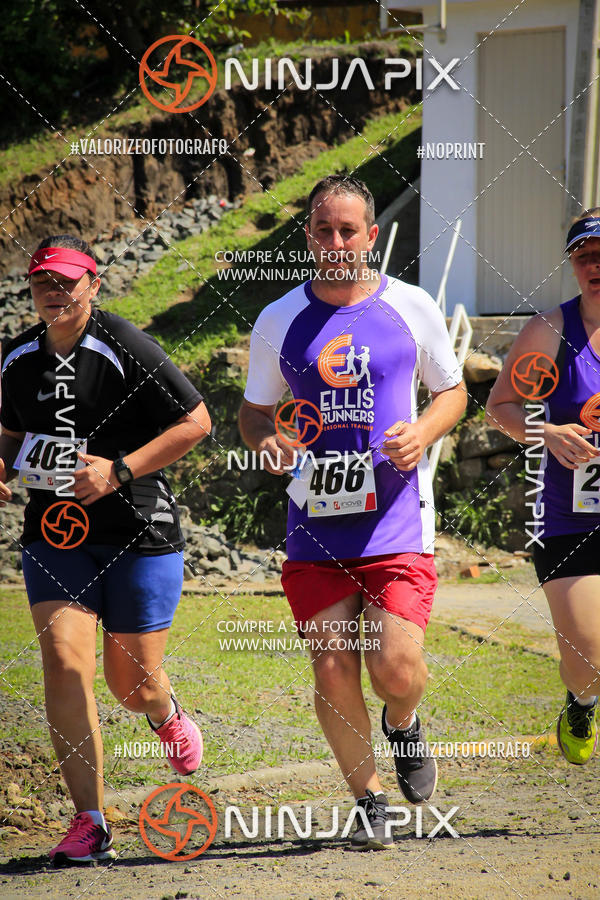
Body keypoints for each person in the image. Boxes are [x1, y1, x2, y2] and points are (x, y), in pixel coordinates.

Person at [239, 175, 466, 849]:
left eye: (348, 230)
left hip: (396, 519)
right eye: (323, 229)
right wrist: (268, 441)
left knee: (394, 667)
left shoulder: (412, 305)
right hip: (315, 525)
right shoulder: (279, 318)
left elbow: (452, 393)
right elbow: (253, 413)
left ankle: (404, 720)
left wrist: (423, 433)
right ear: (307, 236)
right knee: (333, 665)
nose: (336, 242)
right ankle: (368, 798)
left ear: (371, 236)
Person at [0, 234, 211, 864]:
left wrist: (118, 471)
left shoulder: (125, 345)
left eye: (68, 281)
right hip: (55, 536)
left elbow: (196, 421)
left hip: (138, 533)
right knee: (65, 667)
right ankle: (89, 820)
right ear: (30, 289)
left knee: (132, 684)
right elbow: (9, 435)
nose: (55, 292)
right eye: (43, 282)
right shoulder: (15, 359)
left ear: (94, 283)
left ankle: (164, 711)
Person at [487, 209, 600, 766]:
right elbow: (500, 407)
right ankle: (581, 701)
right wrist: (548, 430)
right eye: (585, 257)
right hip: (571, 519)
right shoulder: (552, 332)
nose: (595, 266)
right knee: (588, 659)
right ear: (574, 266)